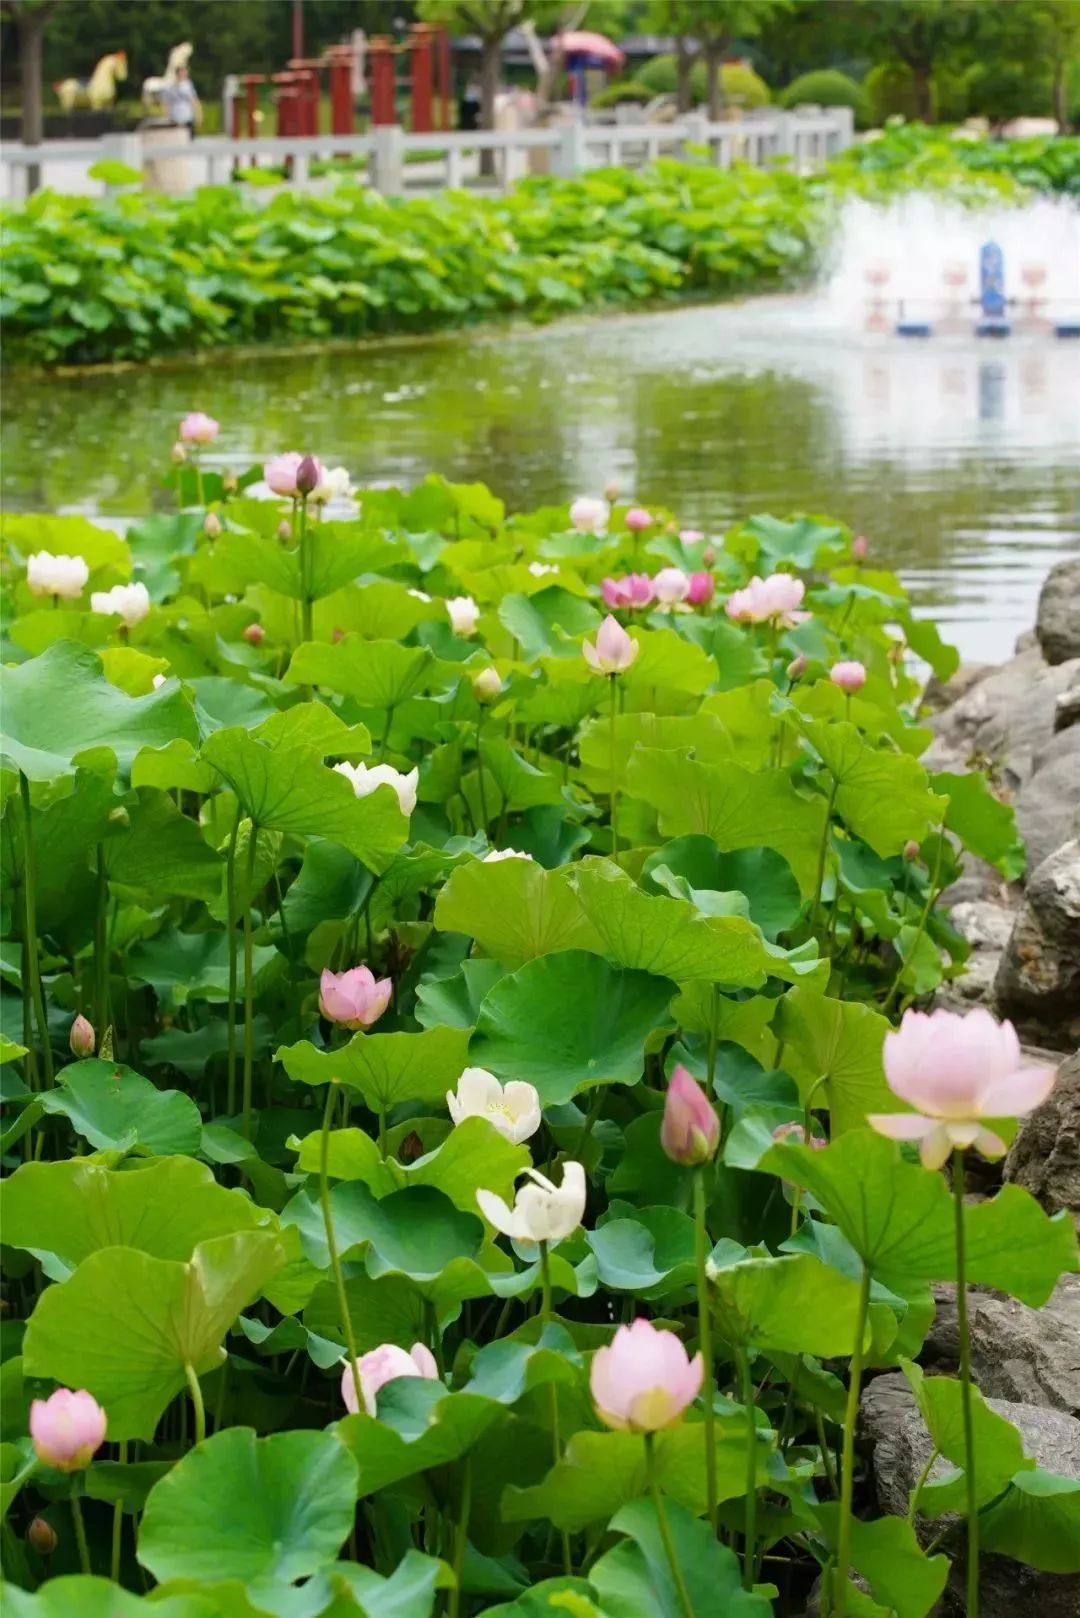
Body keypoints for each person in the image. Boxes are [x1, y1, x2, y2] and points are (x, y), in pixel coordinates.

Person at [161, 63, 201, 131]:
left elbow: (194, 101)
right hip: (174, 118)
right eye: (182, 72)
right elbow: (166, 102)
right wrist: (165, 116)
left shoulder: (188, 85)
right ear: (178, 73)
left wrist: (198, 115)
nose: (184, 74)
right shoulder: (170, 87)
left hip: (187, 117)